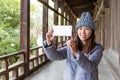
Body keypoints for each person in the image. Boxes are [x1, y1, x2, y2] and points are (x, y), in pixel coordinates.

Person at [43, 12, 104, 80]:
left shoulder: (97, 49)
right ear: (77, 30)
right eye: (80, 28)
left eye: (87, 29)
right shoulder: (72, 44)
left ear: (92, 31)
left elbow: (90, 67)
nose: (83, 32)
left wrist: (75, 52)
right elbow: (55, 56)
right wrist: (49, 43)